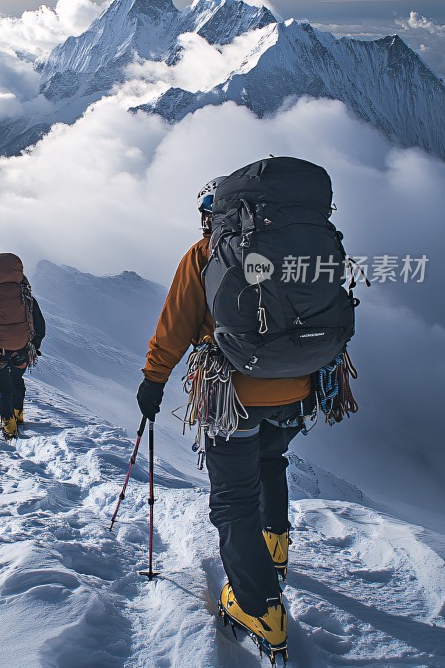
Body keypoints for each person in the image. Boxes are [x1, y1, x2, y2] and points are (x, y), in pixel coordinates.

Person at [137, 176, 316, 664]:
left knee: (234, 500)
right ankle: (275, 547)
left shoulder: (203, 255)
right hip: (297, 387)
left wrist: (154, 381)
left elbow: (174, 326)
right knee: (272, 463)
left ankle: (259, 608)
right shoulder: (295, 249)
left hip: (231, 396)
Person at [0, 253, 46, 440]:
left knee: (4, 387)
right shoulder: (27, 297)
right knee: (17, 380)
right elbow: (39, 324)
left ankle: (8, 425)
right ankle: (18, 414)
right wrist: (34, 345)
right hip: (22, 349)